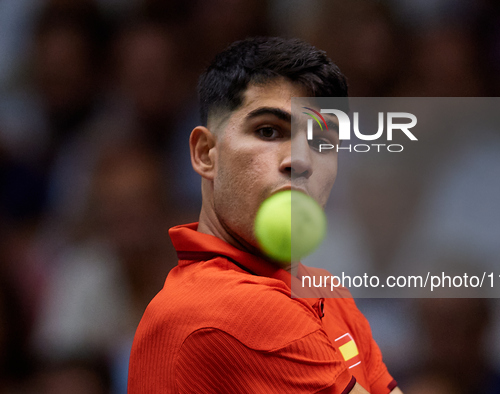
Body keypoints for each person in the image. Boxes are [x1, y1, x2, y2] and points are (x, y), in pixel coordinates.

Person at [128, 36, 402, 394]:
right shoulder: (222, 308)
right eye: (269, 131)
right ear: (206, 154)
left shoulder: (328, 293)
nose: (300, 160)